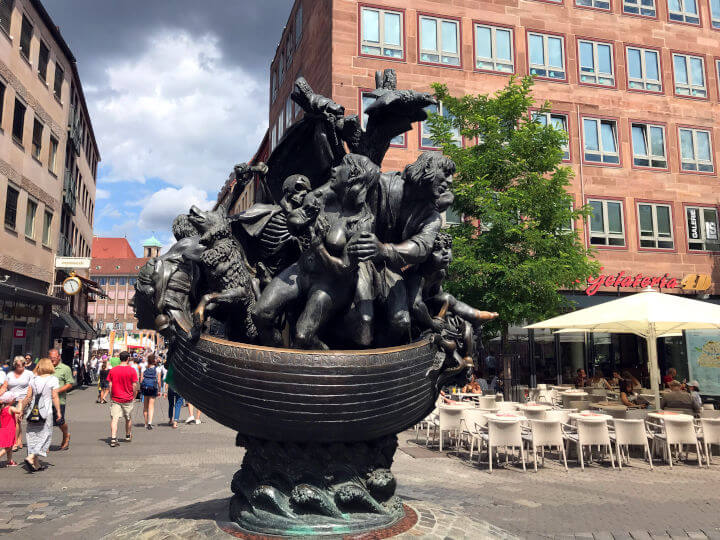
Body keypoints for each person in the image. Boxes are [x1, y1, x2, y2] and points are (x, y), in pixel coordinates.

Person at [22, 358, 61, 471]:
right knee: (46, 435)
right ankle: (31, 456)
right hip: (46, 412)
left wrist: (21, 410)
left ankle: (36, 463)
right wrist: (58, 411)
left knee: (32, 436)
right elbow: (55, 396)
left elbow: (28, 397)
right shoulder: (53, 379)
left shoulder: (33, 380)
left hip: (32, 412)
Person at [107, 351, 139, 447]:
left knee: (114, 419)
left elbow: (110, 385)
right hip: (128, 398)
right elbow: (134, 385)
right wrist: (134, 395)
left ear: (120, 359)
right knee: (128, 418)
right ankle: (128, 435)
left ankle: (113, 438)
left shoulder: (113, 370)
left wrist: (111, 395)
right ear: (128, 359)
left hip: (116, 398)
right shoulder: (132, 370)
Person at [2, 356, 33, 451]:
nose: (20, 367)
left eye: (22, 364)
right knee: (16, 420)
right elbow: (4, 386)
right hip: (11, 399)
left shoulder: (29, 374)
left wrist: (25, 401)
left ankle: (14, 442)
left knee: (16, 418)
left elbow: (30, 389)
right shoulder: (10, 374)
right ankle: (19, 439)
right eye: (17, 365)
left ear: (24, 364)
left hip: (23, 399)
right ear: (15, 365)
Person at [49, 349, 74, 451]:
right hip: (45, 400)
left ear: (59, 357)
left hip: (59, 400)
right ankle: (45, 444)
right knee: (46, 423)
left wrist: (58, 390)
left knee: (59, 421)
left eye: (54, 358)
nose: (52, 360)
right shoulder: (46, 368)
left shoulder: (65, 368)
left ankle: (66, 435)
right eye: (50, 358)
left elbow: (70, 384)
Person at [140, 354, 161, 429]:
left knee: (145, 406)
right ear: (154, 361)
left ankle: (145, 423)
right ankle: (149, 422)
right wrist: (159, 390)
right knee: (151, 406)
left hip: (145, 388)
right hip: (153, 388)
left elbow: (141, 379)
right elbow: (158, 380)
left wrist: (141, 387)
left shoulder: (144, 368)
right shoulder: (157, 369)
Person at [0, 395, 21, 466]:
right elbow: (18, 411)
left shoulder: (3, 408)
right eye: (13, 399)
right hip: (9, 430)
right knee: (8, 447)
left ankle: (9, 461)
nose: (15, 400)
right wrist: (20, 403)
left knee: (9, 446)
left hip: (4, 429)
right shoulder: (10, 408)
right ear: (10, 401)